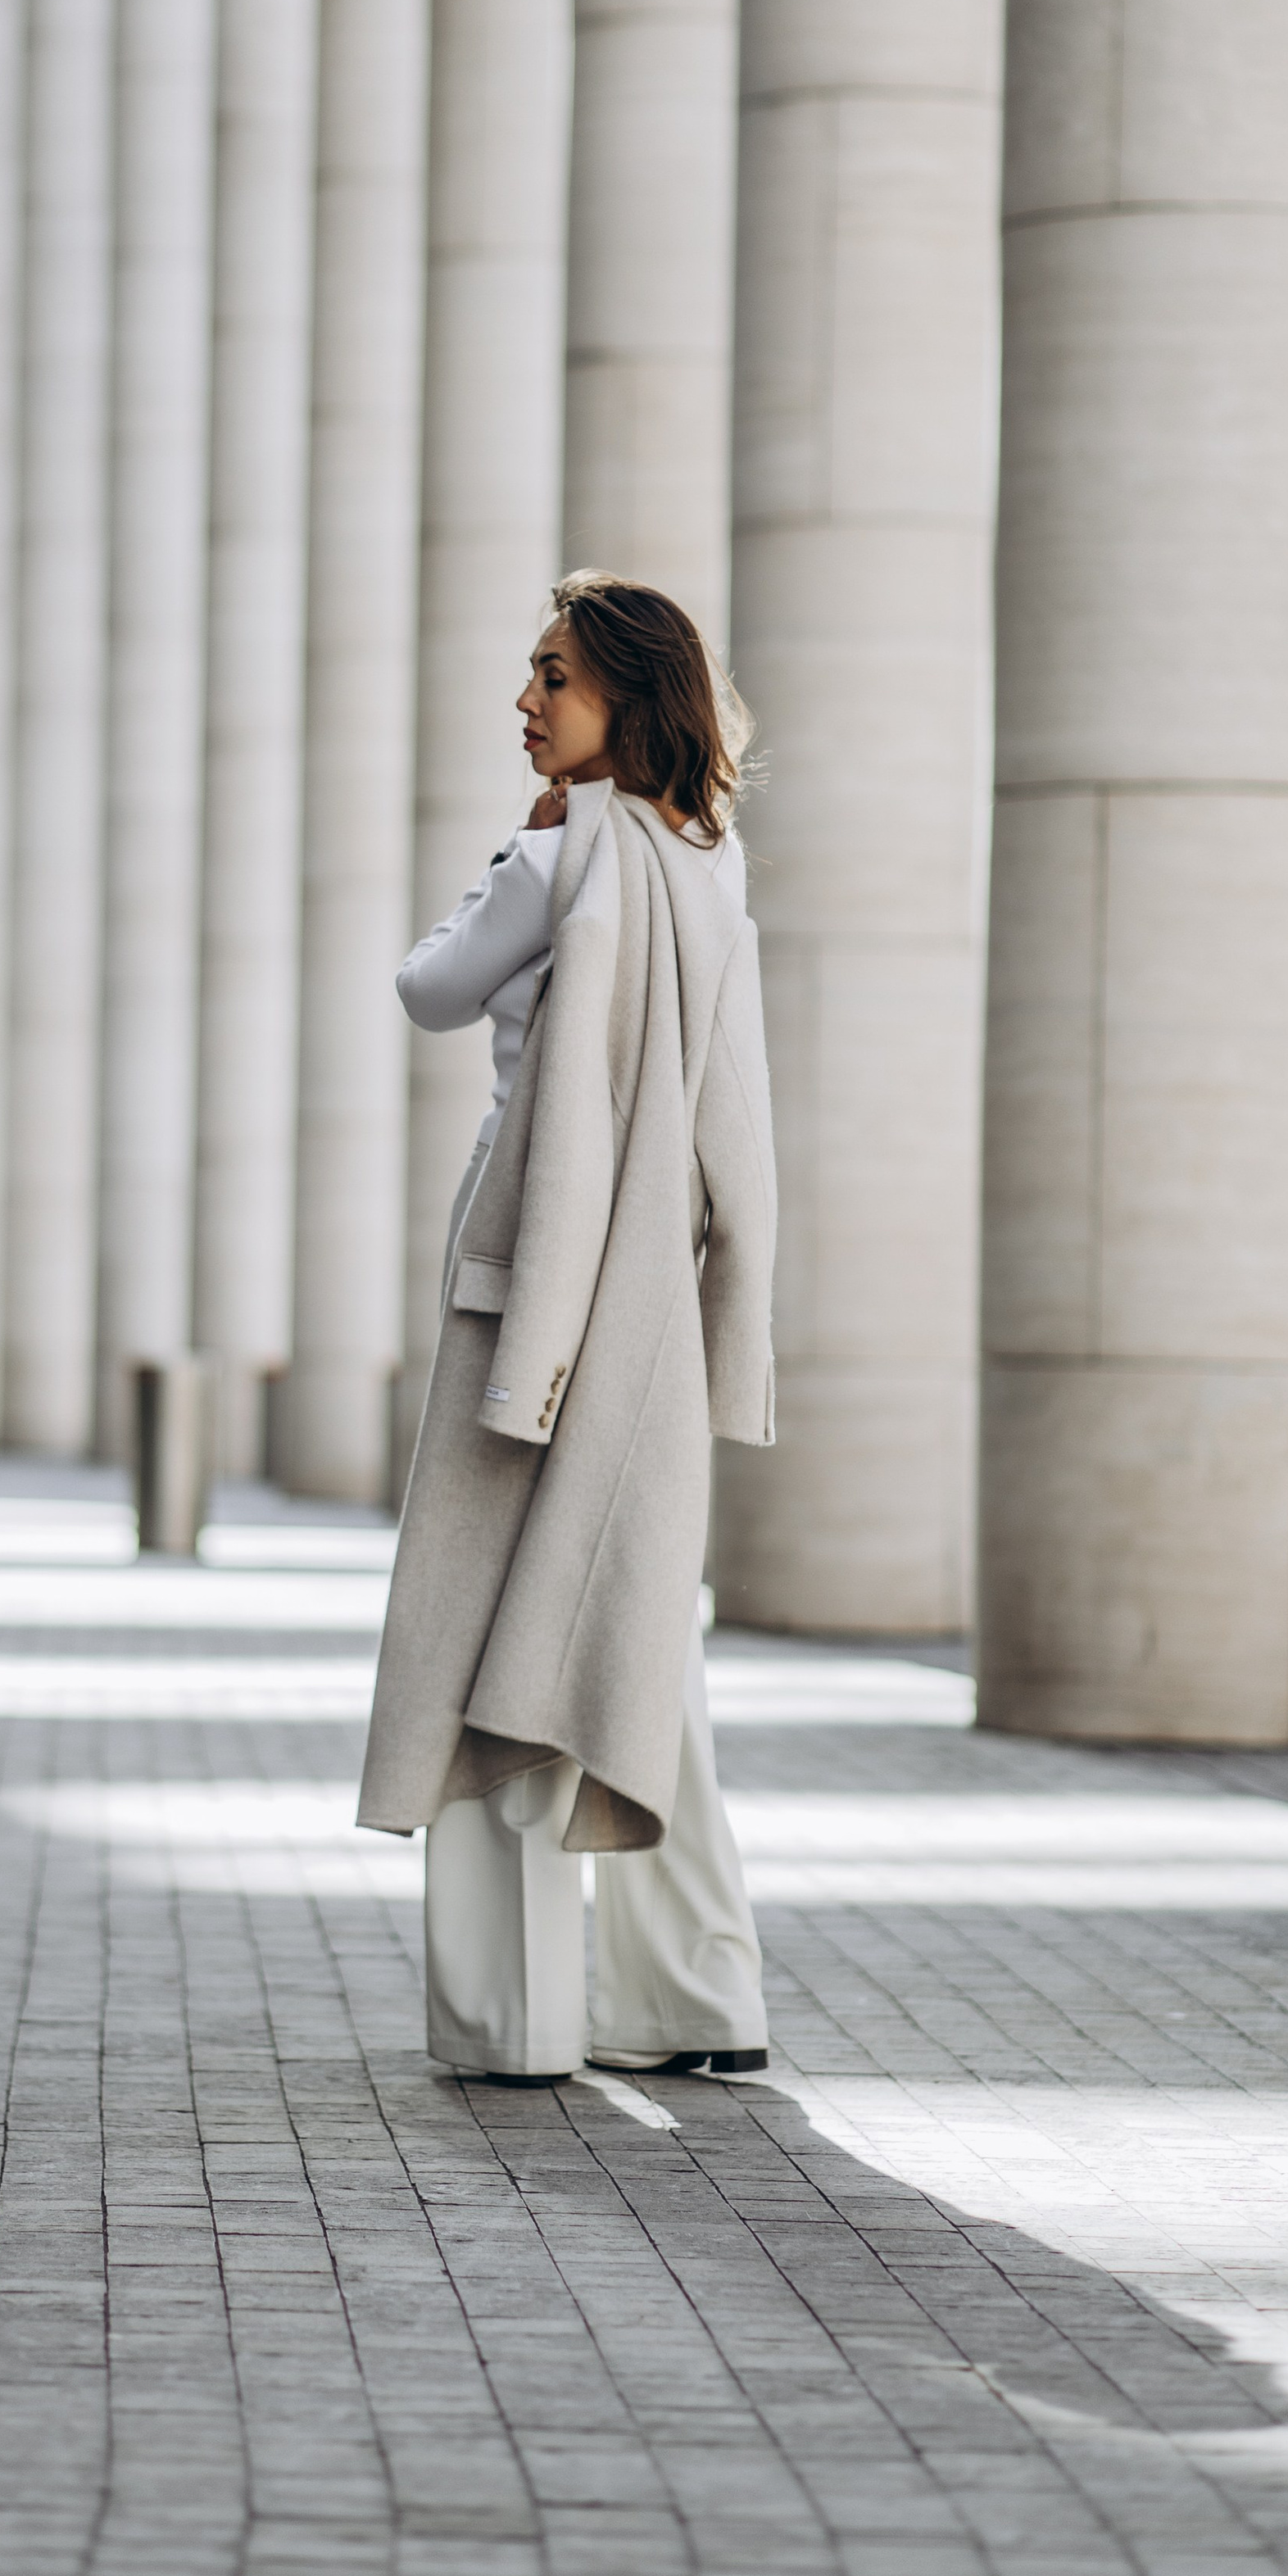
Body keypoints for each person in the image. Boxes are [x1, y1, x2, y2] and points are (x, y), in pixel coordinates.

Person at [357, 570, 778, 2085]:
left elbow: (426, 991)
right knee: (639, 1625)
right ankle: (696, 1993)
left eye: (552, 677)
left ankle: (508, 2019)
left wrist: (512, 859)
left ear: (626, 697)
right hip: (650, 1288)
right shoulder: (709, 860)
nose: (525, 703)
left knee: (487, 1632)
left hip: (533, 1280)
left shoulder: (561, 855)